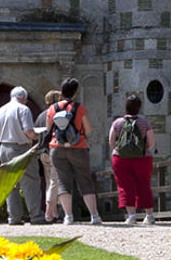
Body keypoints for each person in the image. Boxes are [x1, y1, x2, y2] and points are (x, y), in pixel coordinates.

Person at [46, 78, 104, 225]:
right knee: (85, 180)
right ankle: (94, 216)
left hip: (57, 148)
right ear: (75, 92)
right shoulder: (79, 108)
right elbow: (88, 130)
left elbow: (48, 129)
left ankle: (68, 216)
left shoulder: (52, 108)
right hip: (78, 147)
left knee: (63, 182)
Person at [0, 86, 40, 225]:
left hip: (4, 148)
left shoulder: (0, 110)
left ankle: (14, 217)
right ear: (23, 98)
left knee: (10, 184)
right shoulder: (23, 109)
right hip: (21, 148)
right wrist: (38, 135)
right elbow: (29, 131)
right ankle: (36, 216)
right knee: (30, 181)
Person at [110, 93, 157, 223]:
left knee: (125, 186)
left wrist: (120, 150)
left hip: (121, 158)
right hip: (142, 158)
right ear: (139, 107)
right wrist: (143, 149)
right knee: (144, 184)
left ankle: (131, 216)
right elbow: (151, 142)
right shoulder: (144, 123)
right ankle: (149, 215)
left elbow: (111, 142)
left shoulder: (118, 123)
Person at [34, 89, 65, 223]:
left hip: (42, 152)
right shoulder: (56, 114)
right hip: (52, 150)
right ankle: (51, 213)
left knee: (49, 182)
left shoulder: (41, 115)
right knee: (55, 182)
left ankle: (52, 212)